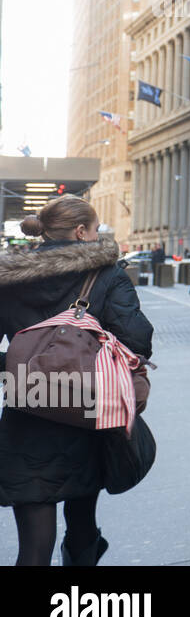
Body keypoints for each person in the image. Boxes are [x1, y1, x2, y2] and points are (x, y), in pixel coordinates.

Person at [0, 196, 153, 566]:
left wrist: (19, 363)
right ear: (81, 231)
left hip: (27, 415)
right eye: (97, 229)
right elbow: (138, 340)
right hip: (86, 415)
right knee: (82, 522)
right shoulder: (107, 274)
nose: (98, 236)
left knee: (33, 547)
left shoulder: (8, 279)